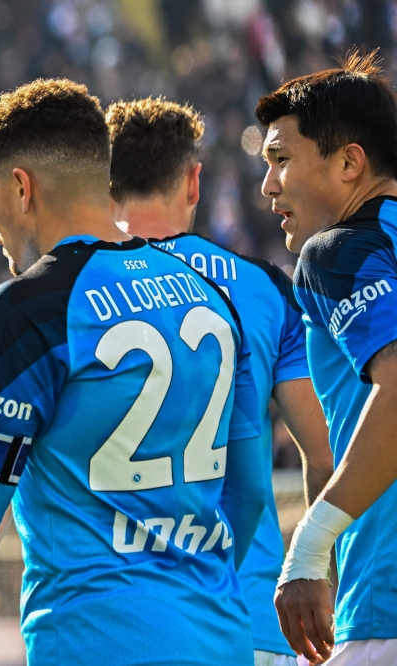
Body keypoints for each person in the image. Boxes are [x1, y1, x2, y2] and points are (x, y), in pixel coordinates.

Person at [0, 78, 267, 666]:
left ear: (22, 188)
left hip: (94, 642)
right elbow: (252, 490)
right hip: (222, 638)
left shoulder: (30, 307)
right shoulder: (209, 294)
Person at [108, 98, 334, 666]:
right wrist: (313, 569)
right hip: (249, 615)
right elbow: (325, 455)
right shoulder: (264, 287)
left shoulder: (74, 291)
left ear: (103, 183)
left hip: (119, 622)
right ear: (193, 179)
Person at [257, 50, 397, 666]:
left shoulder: (337, 250)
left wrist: (310, 547)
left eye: (281, 160)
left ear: (349, 163)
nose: (268, 186)